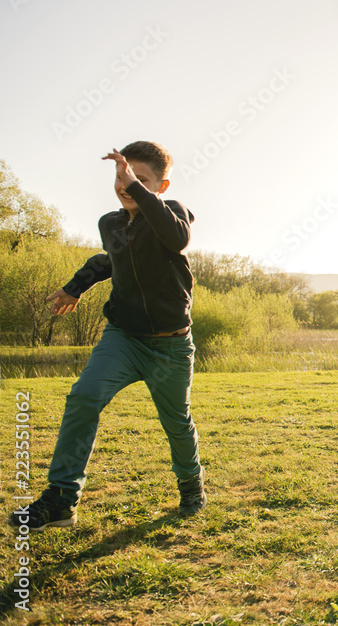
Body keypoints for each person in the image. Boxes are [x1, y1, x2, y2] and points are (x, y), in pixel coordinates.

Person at [8, 141, 206, 532]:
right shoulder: (110, 224)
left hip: (170, 345)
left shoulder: (172, 214)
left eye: (138, 179)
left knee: (177, 421)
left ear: (160, 187)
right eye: (121, 176)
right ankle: (62, 498)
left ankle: (190, 485)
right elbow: (108, 261)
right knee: (84, 395)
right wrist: (75, 287)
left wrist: (138, 190)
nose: (125, 185)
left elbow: (177, 238)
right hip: (124, 337)